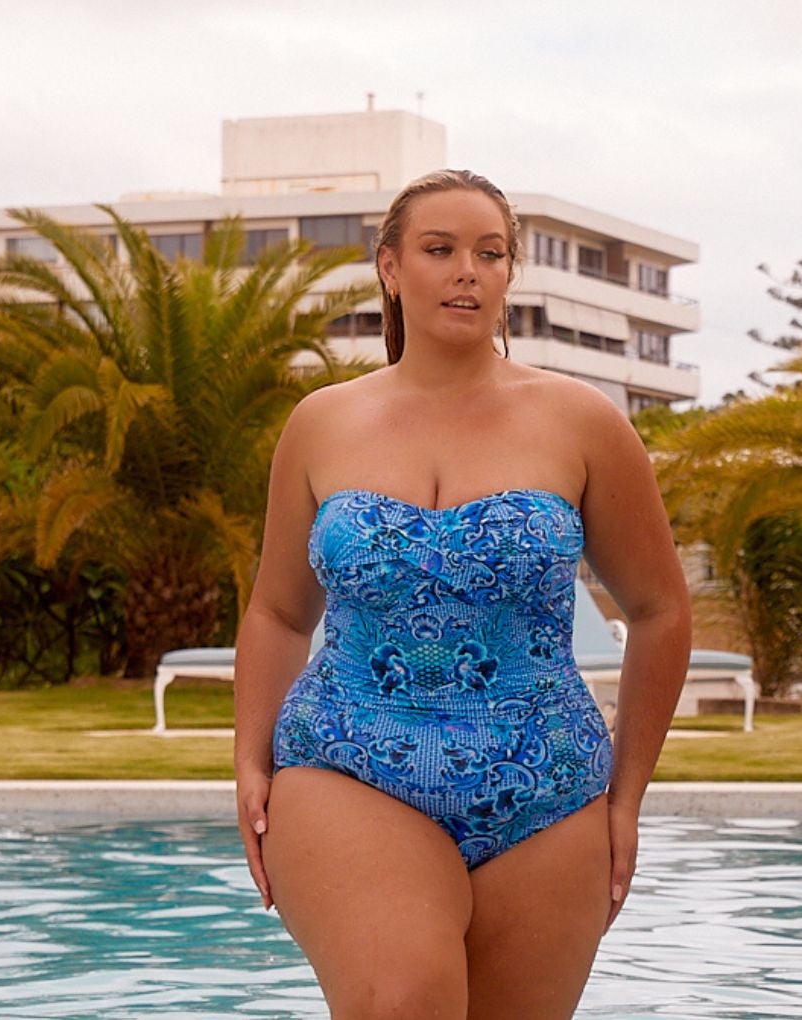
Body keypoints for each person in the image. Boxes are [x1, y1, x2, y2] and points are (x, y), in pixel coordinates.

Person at [228, 168, 691, 1018]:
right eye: (440, 250)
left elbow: (661, 610)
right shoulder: (321, 423)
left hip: (548, 788)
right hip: (349, 762)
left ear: (511, 274)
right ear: (392, 268)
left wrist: (627, 797)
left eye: (491, 253)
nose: (468, 271)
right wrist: (249, 759)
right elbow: (278, 611)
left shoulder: (583, 422)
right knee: (404, 1000)